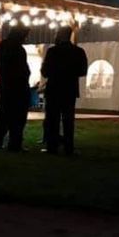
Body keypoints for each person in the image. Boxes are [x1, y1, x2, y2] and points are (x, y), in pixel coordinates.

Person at [41, 26, 88, 155]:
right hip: (69, 90)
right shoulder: (78, 51)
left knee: (52, 119)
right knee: (68, 120)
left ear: (60, 35)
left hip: (54, 89)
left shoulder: (52, 51)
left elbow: (45, 72)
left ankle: (52, 147)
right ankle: (68, 147)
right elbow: (83, 71)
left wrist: (55, 73)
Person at [0, 25, 31, 152]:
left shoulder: (2, 46)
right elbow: (22, 69)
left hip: (6, 85)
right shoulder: (18, 49)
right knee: (18, 116)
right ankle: (15, 143)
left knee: (2, 114)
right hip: (18, 87)